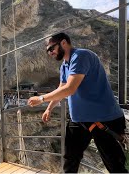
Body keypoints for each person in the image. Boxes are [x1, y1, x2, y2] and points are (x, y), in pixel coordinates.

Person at [27, 32, 127, 173]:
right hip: (80, 120)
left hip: (104, 119)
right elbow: (62, 89)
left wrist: (41, 99)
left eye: (51, 48)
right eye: (48, 51)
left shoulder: (80, 56)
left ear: (63, 43)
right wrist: (49, 108)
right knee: (70, 160)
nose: (50, 53)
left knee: (114, 165)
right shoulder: (64, 66)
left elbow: (70, 89)